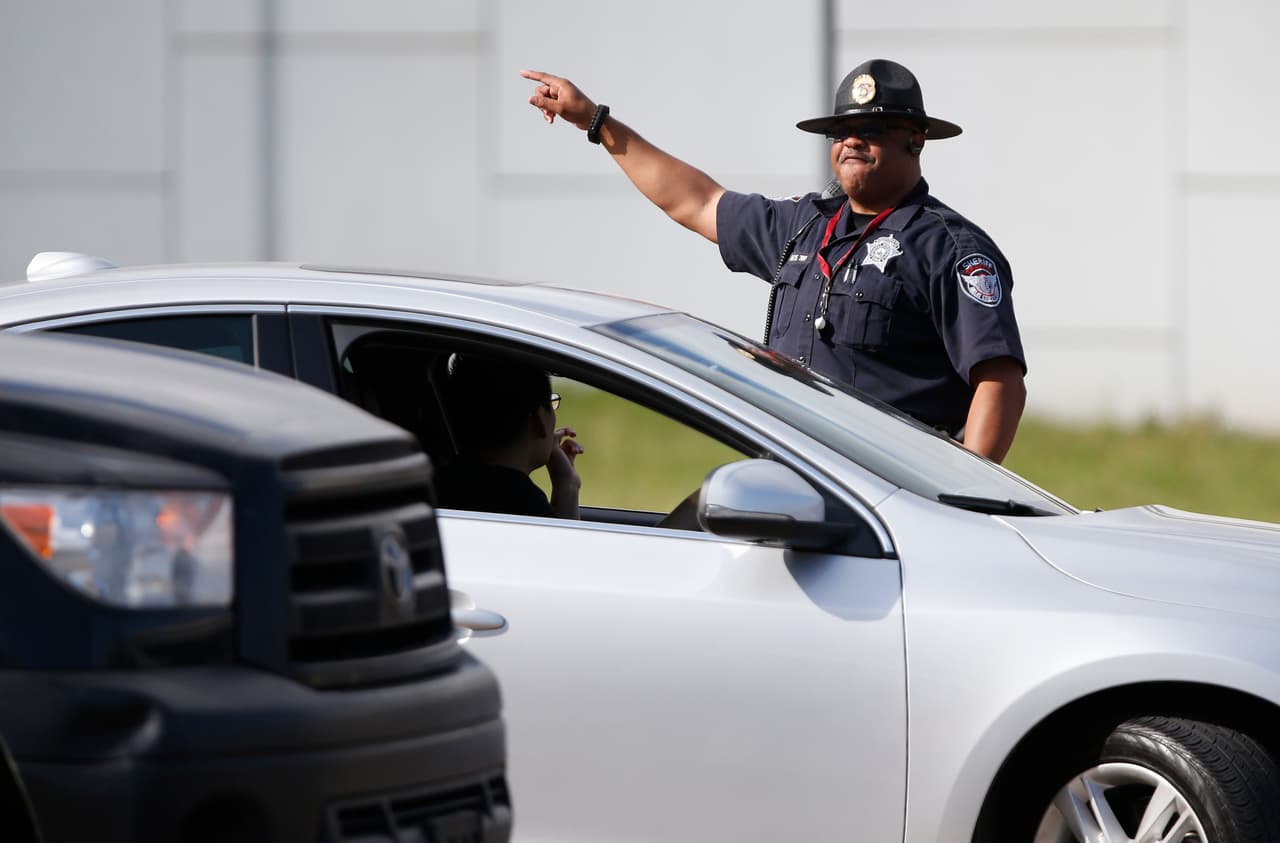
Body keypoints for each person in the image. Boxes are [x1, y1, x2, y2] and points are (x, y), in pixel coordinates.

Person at [521, 58, 1027, 463]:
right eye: (842, 130)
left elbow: (999, 380)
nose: (852, 140)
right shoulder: (803, 224)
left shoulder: (949, 247)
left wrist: (961, 502)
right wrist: (596, 121)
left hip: (889, 499)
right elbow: (695, 201)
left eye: (873, 128)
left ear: (916, 139)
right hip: (793, 478)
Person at [435, 353, 584, 518]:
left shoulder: (441, 484)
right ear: (540, 419)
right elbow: (563, 535)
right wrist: (568, 485)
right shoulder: (524, 502)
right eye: (551, 403)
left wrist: (567, 483)